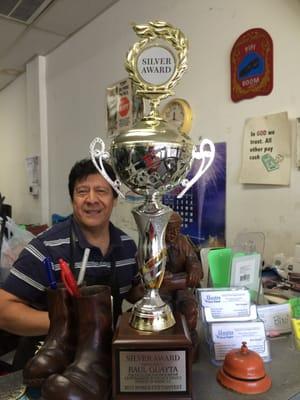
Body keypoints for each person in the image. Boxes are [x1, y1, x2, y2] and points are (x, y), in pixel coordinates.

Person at [0, 158, 143, 339]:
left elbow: (130, 291)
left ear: (114, 199)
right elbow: (3, 310)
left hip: (106, 356)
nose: (92, 199)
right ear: (72, 199)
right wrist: (67, 321)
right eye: (82, 191)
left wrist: (157, 286)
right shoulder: (46, 248)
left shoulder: (127, 246)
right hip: (53, 358)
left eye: (101, 191)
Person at [160, 211, 203, 361]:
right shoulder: (154, 242)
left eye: (177, 229)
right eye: (170, 229)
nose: (173, 233)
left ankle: (189, 339)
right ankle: (167, 345)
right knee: (164, 313)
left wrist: (194, 269)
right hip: (161, 290)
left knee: (190, 309)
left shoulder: (184, 241)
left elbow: (194, 261)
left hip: (181, 287)